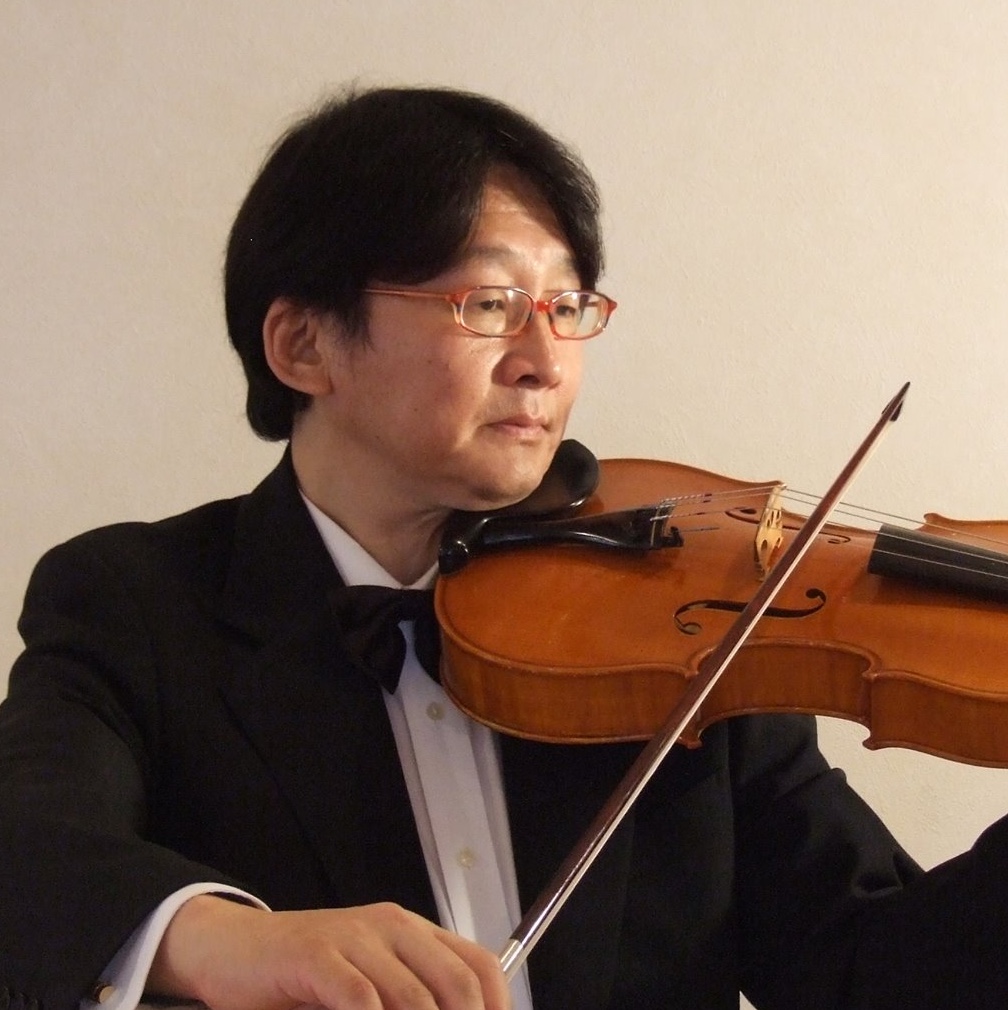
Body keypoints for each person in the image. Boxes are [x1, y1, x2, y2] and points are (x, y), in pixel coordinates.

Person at [1, 85, 1006, 1010]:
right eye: (488, 304)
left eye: (567, 307)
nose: (545, 361)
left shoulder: (694, 623)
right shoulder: (136, 603)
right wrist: (223, 938)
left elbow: (877, 972)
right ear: (303, 345)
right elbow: (27, 849)